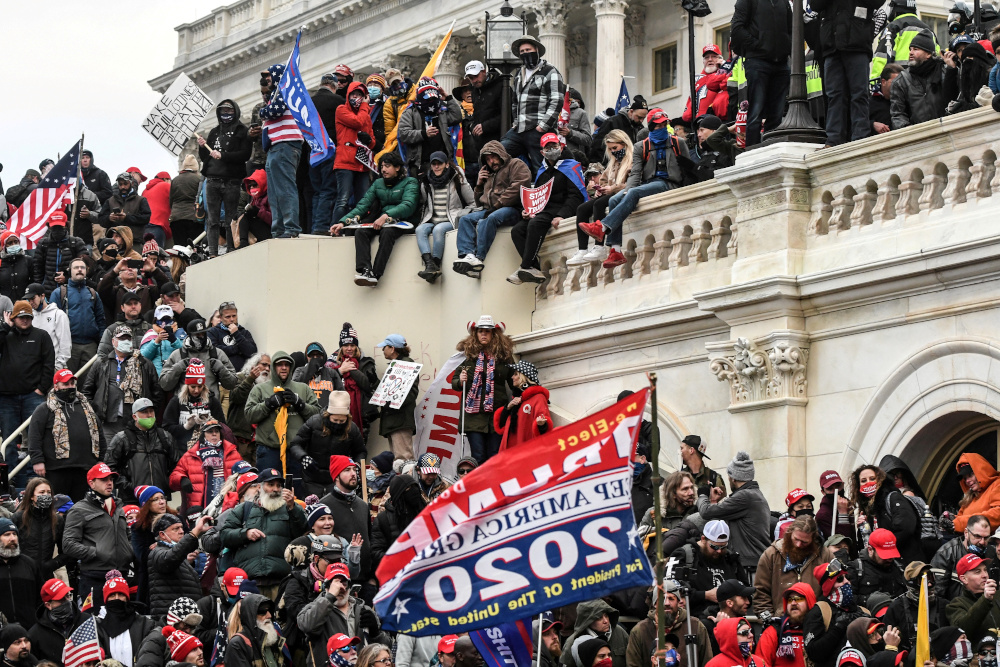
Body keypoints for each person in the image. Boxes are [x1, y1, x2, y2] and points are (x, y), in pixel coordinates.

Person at [579, 109, 681, 270]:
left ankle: (603, 227)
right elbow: (635, 174)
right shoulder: (642, 146)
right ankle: (616, 250)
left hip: (668, 183)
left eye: (663, 124)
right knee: (614, 199)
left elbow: (687, 166)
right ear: (651, 126)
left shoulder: (677, 142)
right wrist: (619, 190)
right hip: (649, 182)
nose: (660, 128)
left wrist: (626, 189)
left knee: (629, 192)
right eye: (656, 125)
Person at [331, 152, 419, 287]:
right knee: (361, 232)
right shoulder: (378, 183)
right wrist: (343, 222)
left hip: (403, 222)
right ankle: (365, 270)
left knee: (387, 233)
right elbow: (362, 205)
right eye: (382, 166)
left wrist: (387, 215)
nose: (383, 169)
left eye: (387, 166)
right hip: (382, 221)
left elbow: (408, 205)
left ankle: (376, 274)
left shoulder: (410, 182)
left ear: (397, 168)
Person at [510, 133, 586, 284]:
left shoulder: (571, 166)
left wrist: (562, 215)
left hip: (560, 209)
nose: (552, 149)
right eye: (548, 147)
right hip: (544, 210)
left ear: (561, 146)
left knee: (536, 224)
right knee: (517, 230)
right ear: (542, 152)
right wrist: (529, 210)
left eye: (554, 146)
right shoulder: (541, 171)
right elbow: (537, 195)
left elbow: (575, 196)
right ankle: (533, 267)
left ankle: (524, 267)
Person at [221, 468, 308, 599]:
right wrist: (245, 533)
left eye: (279, 485)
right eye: (270, 485)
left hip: (281, 582)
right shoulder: (244, 509)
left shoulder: (290, 509)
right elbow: (225, 535)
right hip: (249, 583)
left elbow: (302, 532)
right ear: (260, 487)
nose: (276, 489)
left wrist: (292, 507)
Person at [452, 141, 531, 278]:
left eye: (493, 157)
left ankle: (479, 258)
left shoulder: (515, 164)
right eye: (487, 160)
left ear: (500, 154)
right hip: (490, 209)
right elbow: (479, 202)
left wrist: (497, 205)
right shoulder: (490, 173)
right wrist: (479, 185)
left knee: (490, 219)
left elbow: (518, 187)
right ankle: (468, 256)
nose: (491, 162)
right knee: (465, 220)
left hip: (513, 208)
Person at [62, 463, 133, 614]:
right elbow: (68, 544)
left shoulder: (118, 506)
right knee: (94, 623)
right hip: (95, 577)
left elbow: (127, 536)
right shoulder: (79, 509)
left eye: (111, 479)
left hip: (122, 575)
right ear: (91, 483)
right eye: (103, 479)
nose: (109, 483)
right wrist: (96, 552)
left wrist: (129, 550)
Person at [811, 0, 882, 146]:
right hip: (833, 46)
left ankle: (860, 137)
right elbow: (815, 4)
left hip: (857, 44)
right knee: (835, 95)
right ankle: (833, 139)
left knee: (859, 93)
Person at [27, 369, 102, 501]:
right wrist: (37, 460)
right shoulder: (44, 409)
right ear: (56, 386)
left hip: (85, 468)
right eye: (65, 384)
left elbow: (100, 434)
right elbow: (34, 436)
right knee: (57, 509)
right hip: (56, 470)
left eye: (72, 384)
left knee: (81, 509)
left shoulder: (87, 408)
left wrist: (101, 459)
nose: (70, 387)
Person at [83, 324, 162, 443]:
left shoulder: (144, 364)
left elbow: (156, 392)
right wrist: (94, 415)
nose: (125, 341)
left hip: (135, 423)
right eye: (122, 338)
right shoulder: (102, 363)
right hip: (108, 423)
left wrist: (147, 413)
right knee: (109, 457)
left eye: (128, 339)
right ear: (113, 341)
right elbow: (87, 391)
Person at [245, 351, 320, 473]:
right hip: (269, 449)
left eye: (287, 364)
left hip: (296, 450)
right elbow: (249, 416)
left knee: (296, 489)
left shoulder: (303, 388)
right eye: (280, 364)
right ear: (274, 367)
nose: (284, 367)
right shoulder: (260, 389)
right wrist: (268, 404)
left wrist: (299, 404)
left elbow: (317, 415)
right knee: (269, 490)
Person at [696, 451, 771, 573]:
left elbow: (706, 512)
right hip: (754, 563)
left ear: (734, 478)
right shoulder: (753, 494)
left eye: (729, 476)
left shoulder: (745, 496)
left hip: (750, 567)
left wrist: (703, 494)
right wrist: (715, 501)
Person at [452, 316, 515, 463]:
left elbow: (514, 380)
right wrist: (460, 381)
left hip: (496, 415)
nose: (484, 334)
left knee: (494, 455)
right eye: (480, 331)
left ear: (494, 334)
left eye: (487, 331)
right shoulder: (466, 356)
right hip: (473, 418)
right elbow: (455, 381)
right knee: (478, 456)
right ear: (475, 334)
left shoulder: (504, 356)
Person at [502, 35, 566, 175]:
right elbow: (515, 101)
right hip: (519, 128)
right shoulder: (519, 73)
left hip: (538, 128)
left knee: (541, 168)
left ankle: (544, 195)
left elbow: (557, 100)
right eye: (522, 51)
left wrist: (542, 126)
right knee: (498, 152)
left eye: (528, 49)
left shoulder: (550, 71)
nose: (525, 53)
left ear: (536, 49)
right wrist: (515, 122)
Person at [297, 566, 384, 667]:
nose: (340, 588)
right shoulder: (314, 608)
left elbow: (386, 648)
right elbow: (305, 626)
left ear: (350, 586)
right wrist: (330, 597)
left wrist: (376, 633)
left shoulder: (364, 610)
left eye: (344, 583)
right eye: (335, 583)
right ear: (326, 587)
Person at [731, 0, 791, 145]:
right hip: (757, 61)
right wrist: (758, 45)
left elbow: (791, 28)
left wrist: (786, 47)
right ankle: (752, 149)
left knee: (776, 114)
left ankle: (770, 147)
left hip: (781, 63)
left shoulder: (784, 2)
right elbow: (737, 29)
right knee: (756, 112)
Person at [568, 132, 633, 267]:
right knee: (582, 209)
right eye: (610, 149)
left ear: (624, 144)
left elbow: (633, 183)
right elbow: (603, 180)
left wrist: (612, 188)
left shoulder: (632, 161)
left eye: (615, 148)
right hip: (611, 193)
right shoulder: (613, 163)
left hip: (622, 193)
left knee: (599, 205)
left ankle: (599, 246)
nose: (613, 152)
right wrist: (601, 188)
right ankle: (582, 249)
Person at [753, 515, 831, 619]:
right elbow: (760, 593)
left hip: (815, 622)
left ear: (813, 538)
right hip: (781, 622)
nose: (798, 545)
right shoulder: (771, 555)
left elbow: (835, 589)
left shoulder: (825, 556)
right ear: (790, 533)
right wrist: (770, 621)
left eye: (804, 542)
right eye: (796, 539)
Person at [291, 392, 367, 498]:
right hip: (312, 477)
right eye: (335, 420)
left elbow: (360, 451)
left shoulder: (352, 428)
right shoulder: (314, 422)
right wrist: (303, 457)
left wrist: (356, 465)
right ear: (328, 415)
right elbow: (296, 444)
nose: (338, 423)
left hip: (337, 478)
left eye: (342, 421)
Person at [669, 519, 747, 620]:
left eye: (723, 547)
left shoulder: (731, 559)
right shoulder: (684, 555)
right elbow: (670, 589)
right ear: (703, 539)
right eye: (714, 546)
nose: (719, 551)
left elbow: (745, 589)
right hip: (695, 620)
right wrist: (705, 595)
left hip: (729, 621)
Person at [259, 64, 304, 239]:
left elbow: (274, 111)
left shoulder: (286, 90)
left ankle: (291, 227)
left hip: (285, 145)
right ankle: (278, 229)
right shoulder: (275, 95)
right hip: (275, 147)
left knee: (285, 187)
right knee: (274, 192)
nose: (266, 80)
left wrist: (263, 112)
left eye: (269, 76)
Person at [319, 456, 374, 600]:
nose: (353, 474)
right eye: (347, 470)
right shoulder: (324, 506)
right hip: (338, 582)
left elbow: (371, 539)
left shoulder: (363, 505)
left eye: (355, 470)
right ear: (336, 476)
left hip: (365, 582)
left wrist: (372, 576)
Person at [415, 153, 475, 283]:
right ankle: (429, 265)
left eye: (440, 164)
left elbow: (472, 203)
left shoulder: (458, 178)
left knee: (439, 229)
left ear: (446, 164)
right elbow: (424, 203)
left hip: (451, 219)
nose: (436, 167)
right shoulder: (426, 181)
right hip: (432, 217)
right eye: (434, 164)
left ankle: (435, 263)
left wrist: (462, 214)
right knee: (420, 230)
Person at [104, 397, 176, 504]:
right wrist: (129, 487)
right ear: (134, 416)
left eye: (151, 411)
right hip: (132, 500)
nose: (149, 415)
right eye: (144, 412)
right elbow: (109, 468)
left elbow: (177, 464)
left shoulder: (165, 437)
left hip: (160, 499)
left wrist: (166, 484)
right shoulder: (122, 438)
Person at [849, 464, 923, 565]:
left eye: (872, 478)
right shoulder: (868, 509)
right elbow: (866, 545)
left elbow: (905, 527)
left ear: (880, 480)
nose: (868, 483)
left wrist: (884, 549)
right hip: (886, 566)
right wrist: (863, 530)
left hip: (907, 563)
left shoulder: (893, 498)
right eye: (863, 481)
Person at [803, 561, 869, 667]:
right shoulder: (819, 612)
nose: (847, 582)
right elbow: (814, 653)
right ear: (828, 586)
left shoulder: (863, 611)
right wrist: (838, 628)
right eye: (839, 579)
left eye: (847, 577)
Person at [28, 579, 107, 665]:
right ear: (48, 605)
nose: (67, 601)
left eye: (68, 596)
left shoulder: (88, 621)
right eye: (61, 599)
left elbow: (103, 653)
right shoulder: (35, 634)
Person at [148, 512, 212, 617]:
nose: (181, 532)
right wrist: (195, 532)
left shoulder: (179, 555)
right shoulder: (156, 552)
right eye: (175, 529)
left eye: (181, 528)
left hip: (182, 618)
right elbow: (170, 559)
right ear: (162, 535)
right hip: (170, 620)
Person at [890, 30, 959, 129]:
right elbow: (897, 114)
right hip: (917, 138)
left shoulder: (944, 72)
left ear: (928, 54)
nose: (911, 53)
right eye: (910, 49)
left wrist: (952, 70)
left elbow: (956, 100)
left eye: (916, 49)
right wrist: (909, 131)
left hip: (946, 131)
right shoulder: (901, 81)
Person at [170, 417, 242, 511]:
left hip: (227, 505)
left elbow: (244, 475)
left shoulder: (232, 452)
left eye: (217, 431)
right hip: (199, 507)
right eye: (210, 431)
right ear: (203, 435)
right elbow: (173, 477)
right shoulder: (191, 455)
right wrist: (182, 479)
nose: (214, 434)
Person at [397, 77, 462, 177]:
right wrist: (424, 133)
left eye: (433, 98)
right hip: (420, 164)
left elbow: (457, 117)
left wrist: (448, 98)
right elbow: (404, 134)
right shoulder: (410, 112)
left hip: (443, 162)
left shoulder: (441, 111)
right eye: (428, 98)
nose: (431, 101)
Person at [332, 82, 376, 228]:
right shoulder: (341, 109)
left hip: (361, 164)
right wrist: (365, 107)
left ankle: (358, 228)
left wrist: (369, 141)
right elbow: (357, 122)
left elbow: (372, 141)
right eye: (354, 94)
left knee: (362, 200)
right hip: (345, 161)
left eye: (360, 95)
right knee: (343, 199)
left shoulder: (366, 116)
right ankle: (335, 227)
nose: (356, 98)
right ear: (348, 95)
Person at [160, 319, 239, 400]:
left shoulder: (217, 354)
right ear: (189, 335)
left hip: (210, 407)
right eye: (197, 335)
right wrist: (178, 368)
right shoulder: (177, 355)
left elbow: (232, 384)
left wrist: (221, 369)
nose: (201, 337)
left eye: (203, 334)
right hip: (185, 408)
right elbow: (164, 385)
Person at [52, 258, 106, 373]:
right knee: (67, 383)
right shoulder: (59, 293)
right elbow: (52, 321)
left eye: (82, 268)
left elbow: (101, 320)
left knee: (88, 385)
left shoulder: (93, 293)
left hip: (90, 346)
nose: (79, 270)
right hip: (68, 347)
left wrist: (101, 343)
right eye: (76, 267)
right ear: (69, 271)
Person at [328, 324, 380, 440]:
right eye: (346, 345)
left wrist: (352, 369)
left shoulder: (366, 363)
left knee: (358, 450)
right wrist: (341, 370)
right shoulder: (332, 365)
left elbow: (367, 385)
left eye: (352, 345)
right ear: (341, 347)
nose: (349, 348)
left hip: (361, 416)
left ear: (357, 347)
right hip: (337, 415)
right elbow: (327, 384)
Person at [883, 561, 947, 653]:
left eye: (931, 578)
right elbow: (888, 641)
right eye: (923, 580)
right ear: (911, 583)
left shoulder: (944, 605)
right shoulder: (896, 608)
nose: (929, 584)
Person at [162, 360, 227, 451]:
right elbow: (166, 428)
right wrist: (186, 426)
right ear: (187, 385)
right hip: (182, 449)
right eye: (193, 387)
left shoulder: (212, 401)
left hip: (208, 449)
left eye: (200, 386)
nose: (196, 390)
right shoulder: (176, 401)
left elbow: (222, 426)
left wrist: (209, 422)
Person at [374, 334, 419, 458]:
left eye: (385, 347)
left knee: (403, 459)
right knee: (397, 461)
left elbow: (411, 393)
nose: (383, 350)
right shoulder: (397, 365)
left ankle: (407, 478)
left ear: (392, 348)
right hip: (396, 421)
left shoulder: (405, 365)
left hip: (400, 421)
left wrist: (391, 402)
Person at [309, 76, 344, 235]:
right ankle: (322, 226)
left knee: (316, 191)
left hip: (313, 152)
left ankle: (315, 224)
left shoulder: (310, 102)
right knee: (328, 189)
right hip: (330, 150)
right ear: (334, 86)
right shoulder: (337, 101)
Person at [13, 479, 66, 581]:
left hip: (46, 576)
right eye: (42, 492)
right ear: (32, 496)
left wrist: (52, 564)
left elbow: (66, 551)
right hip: (22, 576)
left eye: (49, 492)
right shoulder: (18, 518)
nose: (46, 495)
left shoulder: (57, 520)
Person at [494, 359, 552, 451]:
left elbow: (544, 427)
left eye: (516, 374)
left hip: (527, 453)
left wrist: (542, 424)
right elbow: (503, 426)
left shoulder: (538, 398)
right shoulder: (517, 399)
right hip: (511, 454)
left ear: (524, 377)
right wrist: (507, 408)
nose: (512, 377)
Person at [932, 514, 991, 600]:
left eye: (986, 538)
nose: (982, 542)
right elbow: (937, 593)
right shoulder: (947, 553)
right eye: (977, 536)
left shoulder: (991, 552)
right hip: (955, 609)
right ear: (966, 533)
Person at [371, 475, 426, 565]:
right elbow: (376, 552)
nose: (414, 491)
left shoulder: (425, 514)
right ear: (398, 494)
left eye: (415, 487)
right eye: (408, 488)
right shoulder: (383, 519)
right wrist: (399, 559)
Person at [945, 553, 1000, 644]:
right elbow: (963, 630)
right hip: (979, 656)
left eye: (985, 570)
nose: (985, 575)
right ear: (964, 579)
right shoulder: (955, 605)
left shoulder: (997, 595)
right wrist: (985, 600)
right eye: (977, 572)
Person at [755, 583, 815, 667]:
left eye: (798, 599)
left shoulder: (819, 630)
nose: (793, 603)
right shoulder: (774, 631)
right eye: (790, 600)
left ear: (809, 602)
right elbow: (760, 663)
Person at [0, 517, 42, 630]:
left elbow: (41, 598)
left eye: (15, 534)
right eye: (7, 534)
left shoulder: (30, 564)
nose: (12, 538)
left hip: (29, 629)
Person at [560, 599, 629, 667]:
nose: (605, 621)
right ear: (588, 621)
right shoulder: (573, 643)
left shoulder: (620, 632)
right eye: (599, 618)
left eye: (606, 616)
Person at [225, 594, 285, 667]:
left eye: (270, 610)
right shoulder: (238, 644)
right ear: (251, 615)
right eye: (262, 611)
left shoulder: (272, 640)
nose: (269, 615)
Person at [22, 283, 70, 373]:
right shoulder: (29, 316)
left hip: (52, 369)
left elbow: (65, 344)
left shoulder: (58, 315)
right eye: (28, 300)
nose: (31, 302)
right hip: (33, 370)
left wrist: (57, 367)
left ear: (42, 296)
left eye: (33, 298)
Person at [683, 45, 732, 124]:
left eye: (714, 57)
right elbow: (688, 111)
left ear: (720, 59)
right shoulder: (697, 79)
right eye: (706, 57)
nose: (710, 59)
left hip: (720, 122)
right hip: (699, 124)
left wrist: (724, 67)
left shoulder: (728, 74)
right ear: (703, 61)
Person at [99, 174, 152, 243]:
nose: (123, 187)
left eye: (125, 184)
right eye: (120, 184)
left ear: (132, 183)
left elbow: (146, 218)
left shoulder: (141, 200)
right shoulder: (110, 201)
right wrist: (109, 218)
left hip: (134, 241)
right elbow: (101, 219)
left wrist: (127, 218)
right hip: (114, 242)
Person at [467, 60, 505, 158]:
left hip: (499, 140)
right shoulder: (474, 90)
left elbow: (507, 115)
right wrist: (472, 126)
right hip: (481, 143)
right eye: (471, 78)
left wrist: (485, 126)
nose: (474, 80)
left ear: (484, 72)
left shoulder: (501, 85)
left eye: (476, 76)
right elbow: (476, 113)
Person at [205, 301, 257, 373]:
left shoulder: (244, 332)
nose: (232, 319)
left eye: (234, 316)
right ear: (221, 317)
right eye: (228, 317)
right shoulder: (212, 332)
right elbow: (213, 351)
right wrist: (237, 349)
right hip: (221, 375)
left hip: (242, 375)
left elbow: (252, 353)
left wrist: (236, 333)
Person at [293, 342, 345, 408]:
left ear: (323, 356)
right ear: (307, 357)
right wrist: (309, 370)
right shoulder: (299, 370)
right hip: (307, 414)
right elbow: (295, 388)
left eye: (318, 355)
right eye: (312, 356)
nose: (315, 358)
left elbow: (341, 394)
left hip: (327, 414)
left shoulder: (331, 372)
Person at [169, 155, 204, 246]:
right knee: (194, 247)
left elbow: (171, 201)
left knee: (180, 248)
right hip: (194, 218)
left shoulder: (175, 180)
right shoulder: (199, 179)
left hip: (176, 218)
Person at [816, 470, 856, 543]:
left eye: (838, 486)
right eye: (830, 489)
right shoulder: (823, 515)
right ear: (823, 492)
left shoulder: (847, 503)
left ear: (843, 485)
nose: (835, 491)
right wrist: (843, 514)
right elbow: (841, 542)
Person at [239, 169, 272, 246]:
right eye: (250, 186)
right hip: (260, 230)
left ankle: (244, 243)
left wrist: (258, 212)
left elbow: (274, 219)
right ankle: (242, 242)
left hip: (269, 231)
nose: (252, 188)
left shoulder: (270, 197)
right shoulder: (255, 198)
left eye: (255, 185)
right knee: (243, 217)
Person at [870, 64, 903, 135]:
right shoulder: (869, 103)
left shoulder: (905, 101)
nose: (899, 86)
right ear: (883, 82)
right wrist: (872, 124)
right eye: (895, 82)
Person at [0, 232, 31, 305]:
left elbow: (34, 281)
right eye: (10, 243)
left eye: (15, 242)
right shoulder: (1, 263)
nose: (13, 245)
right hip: (5, 305)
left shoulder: (28, 260)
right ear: (4, 246)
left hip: (25, 303)